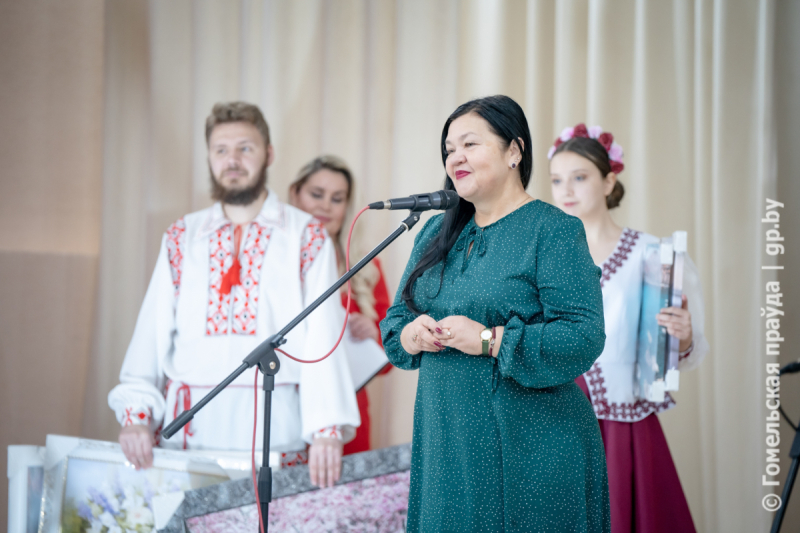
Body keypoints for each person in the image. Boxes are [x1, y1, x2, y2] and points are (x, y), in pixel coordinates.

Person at [380, 95, 611, 532]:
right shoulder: (434, 231)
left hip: (531, 449)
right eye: (449, 149)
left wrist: (490, 340)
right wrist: (411, 334)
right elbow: (394, 325)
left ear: (514, 151)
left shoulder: (553, 229)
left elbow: (583, 336)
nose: (455, 157)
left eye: (470, 144)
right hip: (447, 446)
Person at [108, 102, 360, 489]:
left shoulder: (305, 235)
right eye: (221, 150)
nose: (233, 160)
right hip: (190, 436)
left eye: (246, 148)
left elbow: (322, 336)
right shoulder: (182, 236)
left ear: (268, 154)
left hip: (278, 431)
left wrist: (326, 427)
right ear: (209, 157)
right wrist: (137, 417)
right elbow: (151, 336)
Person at [548, 123, 709, 533]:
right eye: (556, 180)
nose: (566, 190)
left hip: (622, 427)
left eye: (579, 178)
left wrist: (684, 337)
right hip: (556, 422)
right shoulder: (543, 257)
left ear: (609, 180)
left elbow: (680, 351)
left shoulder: (651, 255)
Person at [289, 155, 392, 454]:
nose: (325, 206)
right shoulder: (274, 259)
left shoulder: (365, 266)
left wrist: (374, 334)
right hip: (287, 407)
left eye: (337, 199)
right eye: (316, 194)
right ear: (296, 193)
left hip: (348, 415)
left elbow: (392, 354)